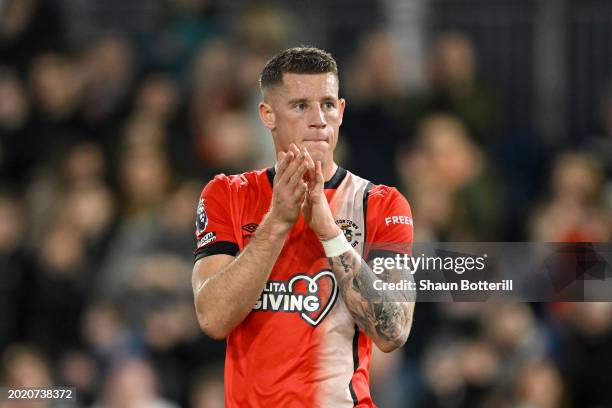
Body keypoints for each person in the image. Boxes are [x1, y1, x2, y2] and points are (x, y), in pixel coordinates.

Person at [191, 47, 415, 407]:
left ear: (342, 112)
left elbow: (393, 330)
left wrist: (329, 231)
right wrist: (277, 221)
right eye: (300, 106)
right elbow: (213, 317)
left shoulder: (381, 204)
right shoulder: (226, 194)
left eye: (327, 104)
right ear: (267, 115)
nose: (318, 120)